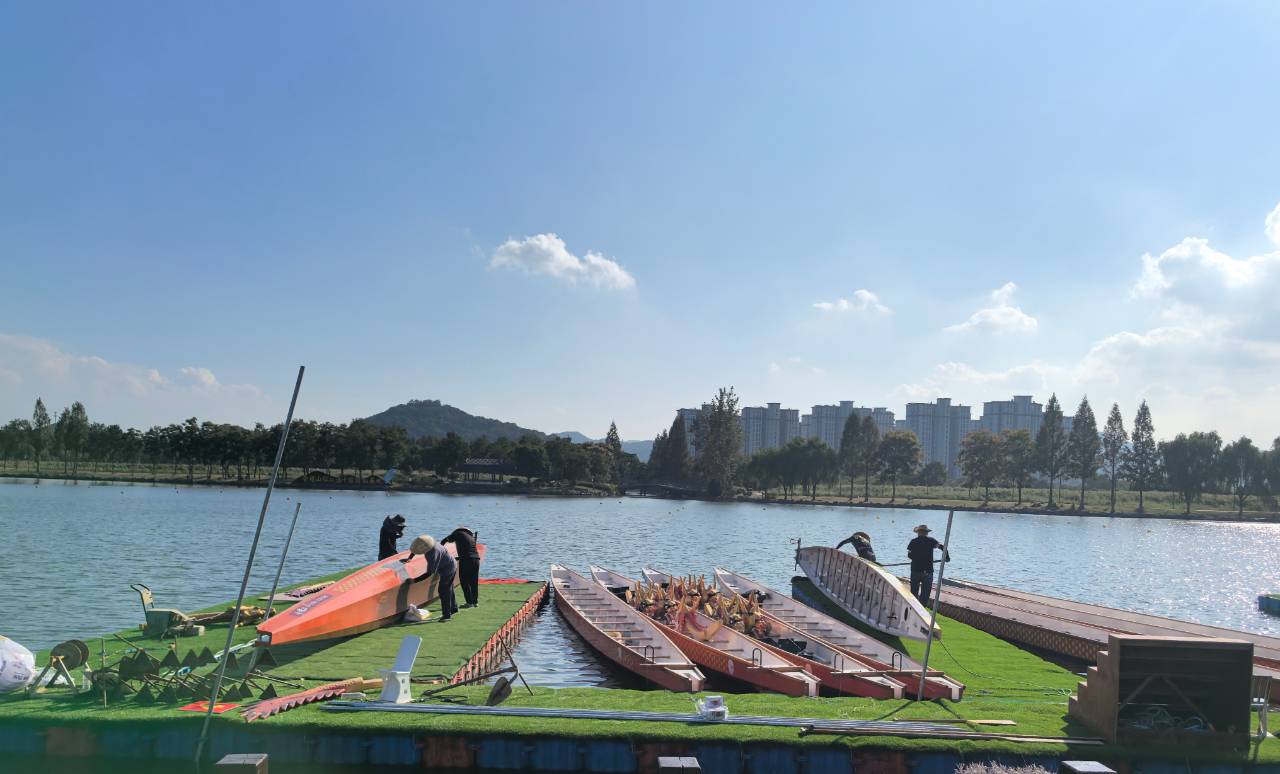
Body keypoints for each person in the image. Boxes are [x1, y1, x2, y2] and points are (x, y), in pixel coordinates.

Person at [403, 534, 458, 621]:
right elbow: (415, 550)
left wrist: (414, 580)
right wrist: (409, 558)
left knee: (443, 591)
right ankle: (454, 608)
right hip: (451, 563)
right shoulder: (432, 543)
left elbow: (429, 573)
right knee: (449, 588)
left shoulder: (432, 554)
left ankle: (447, 615)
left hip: (448, 569)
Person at [907, 524, 949, 606]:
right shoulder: (931, 541)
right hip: (928, 571)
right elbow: (942, 547)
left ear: (918, 532)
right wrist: (947, 557)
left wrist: (917, 558)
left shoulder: (913, 541)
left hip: (916, 570)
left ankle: (914, 607)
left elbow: (909, 555)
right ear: (926, 533)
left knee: (914, 593)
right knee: (925, 594)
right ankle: (922, 608)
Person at [441, 527, 481, 608]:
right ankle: (475, 602)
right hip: (476, 559)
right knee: (474, 582)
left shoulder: (458, 533)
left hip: (466, 560)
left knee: (464, 581)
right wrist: (458, 558)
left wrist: (440, 551)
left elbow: (444, 540)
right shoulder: (471, 537)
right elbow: (468, 551)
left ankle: (469, 602)